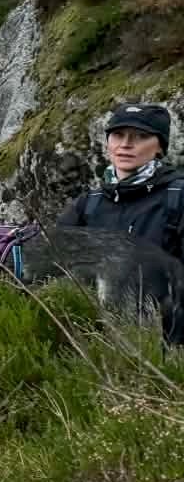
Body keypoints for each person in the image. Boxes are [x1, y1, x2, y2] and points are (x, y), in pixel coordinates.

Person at [57, 103, 182, 342]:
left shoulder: (177, 197)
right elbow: (57, 269)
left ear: (160, 146)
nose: (126, 144)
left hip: (166, 345)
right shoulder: (88, 203)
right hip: (95, 342)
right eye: (118, 135)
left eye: (141, 136)